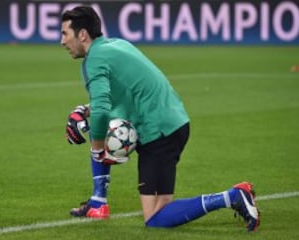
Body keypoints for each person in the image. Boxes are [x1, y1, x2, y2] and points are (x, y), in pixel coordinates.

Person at [61, 6, 260, 231]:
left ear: (83, 34)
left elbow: (103, 109)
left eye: (65, 33)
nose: (62, 41)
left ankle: (232, 196)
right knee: (95, 121)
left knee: (155, 218)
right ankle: (98, 203)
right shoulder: (115, 44)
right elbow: (123, 95)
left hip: (158, 133)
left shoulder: (94, 59)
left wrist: (97, 150)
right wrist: (85, 111)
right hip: (173, 123)